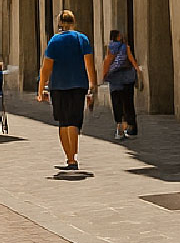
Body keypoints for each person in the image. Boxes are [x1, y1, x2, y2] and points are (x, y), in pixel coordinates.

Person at [36, 11, 97, 171]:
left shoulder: (55, 41)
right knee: (74, 121)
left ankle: (69, 158)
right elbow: (89, 64)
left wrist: (41, 88)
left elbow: (46, 67)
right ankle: (74, 158)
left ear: (59, 23)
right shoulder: (82, 39)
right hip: (78, 85)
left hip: (58, 86)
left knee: (63, 122)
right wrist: (93, 85)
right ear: (73, 22)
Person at [103, 30, 141, 140]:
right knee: (128, 102)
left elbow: (107, 60)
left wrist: (104, 74)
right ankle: (131, 127)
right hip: (127, 77)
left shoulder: (110, 47)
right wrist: (137, 70)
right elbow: (131, 59)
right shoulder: (125, 47)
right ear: (117, 37)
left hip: (115, 78)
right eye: (120, 35)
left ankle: (119, 126)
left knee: (117, 102)